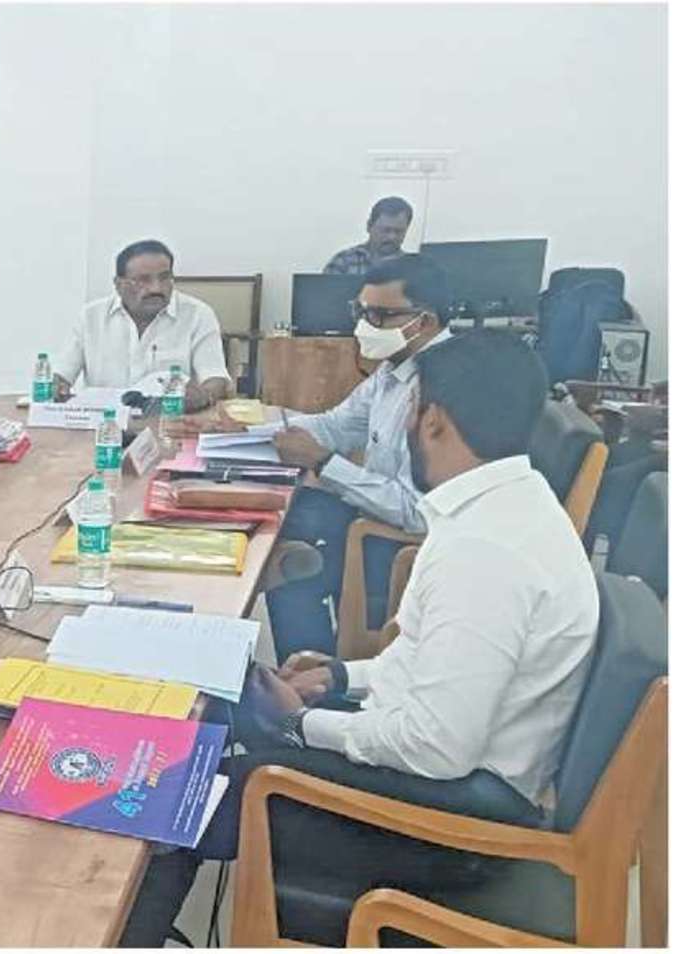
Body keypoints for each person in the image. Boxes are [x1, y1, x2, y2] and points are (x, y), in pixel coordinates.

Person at [120, 329, 598, 947]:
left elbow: (435, 748)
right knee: (220, 714)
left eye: (410, 411)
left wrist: (301, 725)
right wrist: (340, 678)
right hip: (461, 778)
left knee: (187, 795)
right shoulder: (510, 512)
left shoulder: (485, 553)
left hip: (455, 829)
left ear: (433, 420)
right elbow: (434, 663)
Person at [262, 254, 455, 659]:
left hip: (404, 541)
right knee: (280, 515)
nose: (365, 325)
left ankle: (311, 678)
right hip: (375, 512)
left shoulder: (444, 386)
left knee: (290, 564)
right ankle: (310, 670)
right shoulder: (395, 366)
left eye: (380, 315)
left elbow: (417, 511)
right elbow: (336, 425)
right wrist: (251, 431)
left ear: (424, 321)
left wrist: (323, 462)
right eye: (361, 311)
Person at [52, 239, 232, 411]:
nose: (156, 288)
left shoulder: (197, 315)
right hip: (106, 422)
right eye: (143, 280)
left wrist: (203, 396)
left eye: (165, 278)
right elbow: (61, 375)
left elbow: (216, 378)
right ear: (118, 285)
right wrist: (56, 387)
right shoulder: (91, 317)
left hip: (171, 421)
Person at [324, 196, 413, 276]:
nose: (392, 237)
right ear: (369, 226)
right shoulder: (343, 262)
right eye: (386, 230)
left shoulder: (412, 269)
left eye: (399, 231)